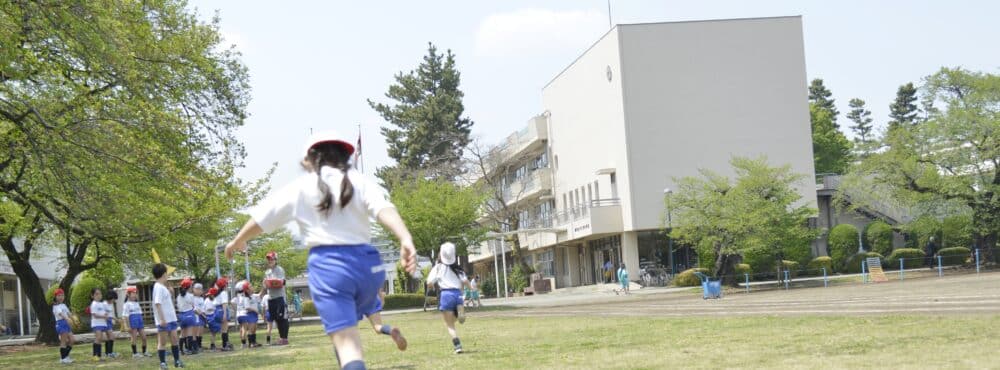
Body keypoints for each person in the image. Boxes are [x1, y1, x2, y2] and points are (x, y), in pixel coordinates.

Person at [225, 130, 417, 370]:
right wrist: (405, 237)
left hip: (330, 267)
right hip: (368, 266)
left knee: (348, 347)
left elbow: (262, 219)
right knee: (348, 336)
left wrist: (237, 240)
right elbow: (384, 209)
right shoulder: (357, 180)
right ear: (345, 156)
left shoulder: (303, 186)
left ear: (309, 159)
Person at [426, 242, 470, 354]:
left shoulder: (438, 267)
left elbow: (429, 282)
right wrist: (471, 288)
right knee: (453, 320)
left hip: (446, 295)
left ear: (441, 254)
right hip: (458, 294)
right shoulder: (458, 268)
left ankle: (457, 346)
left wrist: (431, 286)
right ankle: (459, 311)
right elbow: (465, 281)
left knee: (450, 325)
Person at [152, 263, 183, 369]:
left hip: (171, 318)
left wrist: (171, 292)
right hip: (164, 320)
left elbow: (166, 301)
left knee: (175, 339)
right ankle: (163, 364)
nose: (168, 275)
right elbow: (158, 303)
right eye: (167, 273)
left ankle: (177, 361)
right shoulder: (158, 287)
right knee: (163, 342)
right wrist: (162, 319)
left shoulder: (162, 287)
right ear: (164, 274)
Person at [261, 251, 291, 345]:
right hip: (271, 298)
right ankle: (281, 338)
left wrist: (272, 282)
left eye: (271, 258)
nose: (270, 260)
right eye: (268, 259)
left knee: (282, 318)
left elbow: (282, 282)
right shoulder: (267, 272)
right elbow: (265, 285)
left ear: (275, 259)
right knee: (277, 319)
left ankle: (284, 338)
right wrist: (265, 284)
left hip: (279, 297)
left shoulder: (279, 269)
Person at [122, 286, 151, 358]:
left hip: (139, 321)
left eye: (136, 293)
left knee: (144, 337)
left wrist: (142, 322)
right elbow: (125, 316)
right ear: (128, 294)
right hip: (132, 322)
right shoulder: (126, 304)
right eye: (133, 293)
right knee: (134, 338)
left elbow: (140, 314)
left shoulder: (136, 303)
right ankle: (135, 353)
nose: (135, 295)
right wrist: (127, 326)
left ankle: (144, 352)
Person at [53, 288, 75, 364]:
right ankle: (63, 358)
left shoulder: (64, 305)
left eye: (62, 295)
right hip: (61, 323)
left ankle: (66, 356)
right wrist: (67, 319)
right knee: (63, 342)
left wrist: (74, 319)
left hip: (66, 323)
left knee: (72, 340)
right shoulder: (55, 306)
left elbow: (69, 313)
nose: (61, 297)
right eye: (59, 295)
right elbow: (61, 314)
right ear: (55, 297)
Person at [176, 278, 198, 355]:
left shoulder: (178, 296)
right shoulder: (190, 296)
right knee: (189, 333)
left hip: (181, 315)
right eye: (191, 285)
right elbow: (193, 305)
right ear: (189, 287)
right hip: (189, 314)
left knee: (182, 334)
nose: (192, 287)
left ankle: (180, 349)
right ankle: (189, 349)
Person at [212, 277, 234, 351]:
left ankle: (226, 344)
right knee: (225, 329)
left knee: (222, 329)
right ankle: (225, 345)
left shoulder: (216, 294)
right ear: (225, 285)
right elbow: (224, 304)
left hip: (217, 311)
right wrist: (225, 314)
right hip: (222, 310)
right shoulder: (224, 293)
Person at [89, 288, 109, 362]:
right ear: (92, 296)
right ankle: (95, 355)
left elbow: (104, 312)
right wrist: (104, 316)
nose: (98, 295)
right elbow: (94, 315)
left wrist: (106, 315)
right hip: (96, 324)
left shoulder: (102, 304)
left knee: (100, 339)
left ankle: (99, 356)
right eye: (96, 294)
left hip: (102, 323)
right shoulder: (93, 304)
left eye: (100, 294)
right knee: (98, 338)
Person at [103, 290, 120, 358]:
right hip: (105, 322)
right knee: (111, 337)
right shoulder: (104, 304)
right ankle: (110, 353)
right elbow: (104, 315)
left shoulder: (110, 304)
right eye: (114, 299)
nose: (114, 300)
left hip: (109, 321)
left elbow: (110, 315)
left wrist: (115, 319)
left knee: (109, 338)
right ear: (110, 297)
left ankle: (108, 353)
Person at [192, 283, 206, 354]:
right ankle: (196, 346)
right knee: (197, 331)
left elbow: (203, 308)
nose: (199, 291)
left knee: (201, 332)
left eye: (200, 289)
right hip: (197, 316)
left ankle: (200, 345)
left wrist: (204, 314)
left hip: (202, 316)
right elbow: (194, 308)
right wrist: (200, 313)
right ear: (194, 290)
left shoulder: (202, 298)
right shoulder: (193, 298)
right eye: (197, 289)